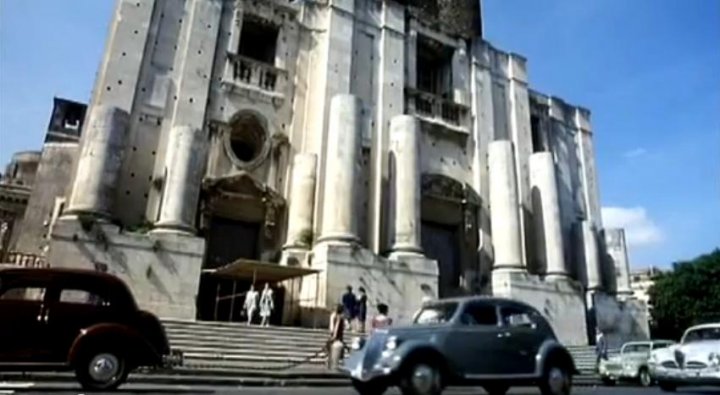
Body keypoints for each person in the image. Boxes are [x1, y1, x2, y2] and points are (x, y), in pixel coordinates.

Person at [327, 304, 346, 369]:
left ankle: (332, 365)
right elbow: (336, 328)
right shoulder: (339, 317)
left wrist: (333, 336)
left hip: (336, 339)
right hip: (336, 339)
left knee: (333, 354)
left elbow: (335, 329)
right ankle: (332, 365)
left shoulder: (338, 317)